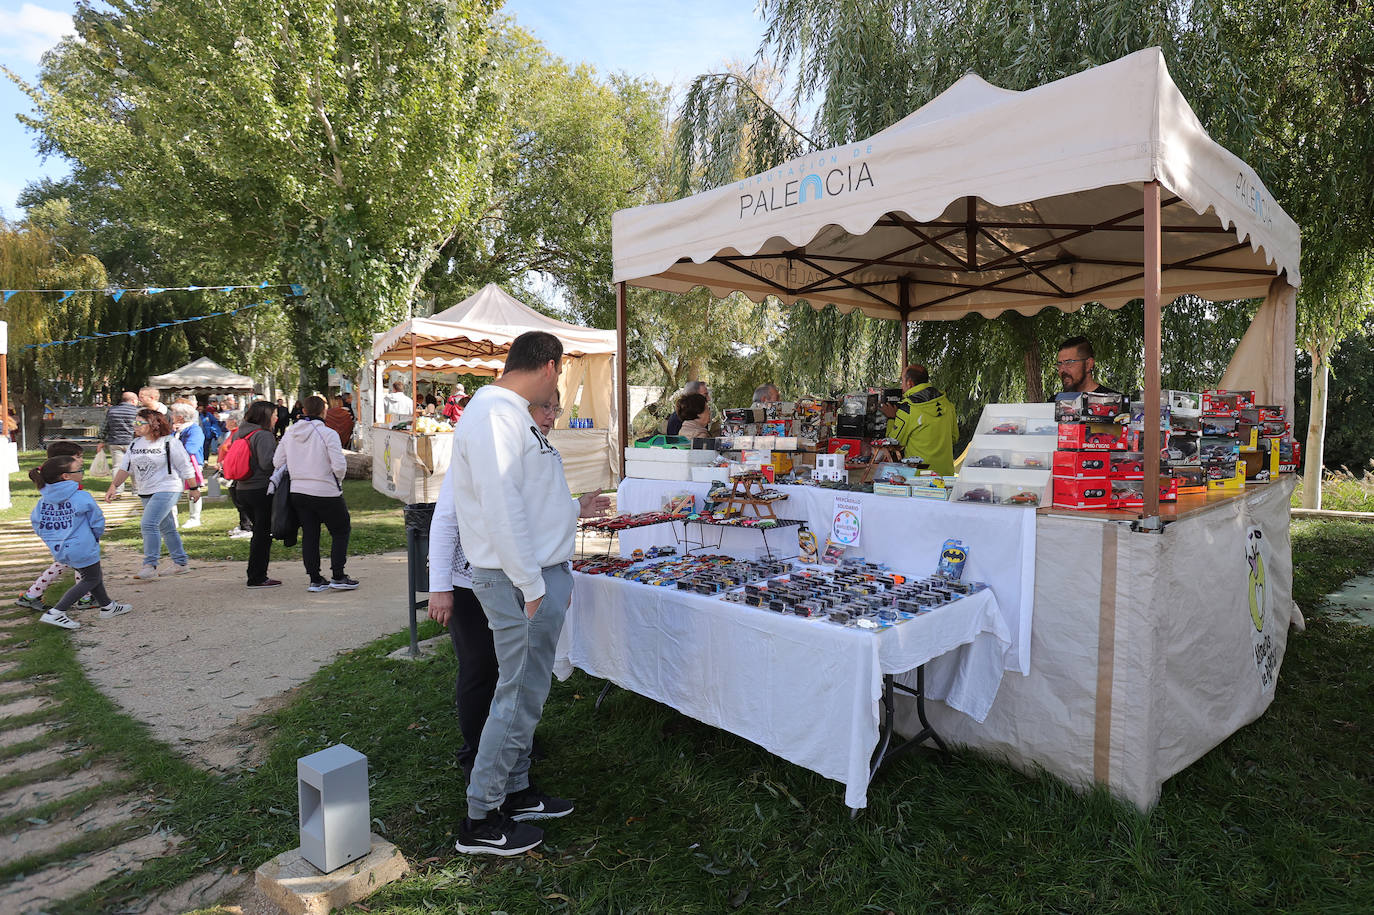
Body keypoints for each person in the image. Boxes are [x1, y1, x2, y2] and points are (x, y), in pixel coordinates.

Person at [448, 331, 609, 856]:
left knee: (525, 693)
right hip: (522, 580)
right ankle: (481, 817)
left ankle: (514, 792)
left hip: (533, 574)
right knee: (516, 695)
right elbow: (501, 507)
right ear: (548, 365)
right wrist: (532, 583)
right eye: (559, 372)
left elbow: (530, 499)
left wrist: (570, 513)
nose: (558, 381)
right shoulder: (497, 414)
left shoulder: (510, 414)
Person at [428, 392, 560, 780]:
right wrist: (439, 587)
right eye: (545, 407)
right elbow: (445, 518)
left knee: (514, 666)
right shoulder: (487, 444)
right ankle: (475, 751)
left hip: (514, 579)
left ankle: (512, 742)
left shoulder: (534, 449)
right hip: (470, 580)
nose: (552, 416)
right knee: (479, 666)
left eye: (556, 408)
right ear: (523, 410)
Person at [31, 454, 132, 629]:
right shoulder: (81, 496)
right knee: (91, 578)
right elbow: (97, 521)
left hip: (60, 547)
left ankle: (107, 606)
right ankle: (56, 612)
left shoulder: (43, 500)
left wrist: (52, 539)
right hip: (83, 546)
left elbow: (37, 523)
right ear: (66, 476)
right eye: (79, 470)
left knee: (92, 575)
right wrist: (95, 537)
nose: (82, 473)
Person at [275, 395, 357, 592]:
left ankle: (315, 578)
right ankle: (338, 574)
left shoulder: (290, 433)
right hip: (325, 489)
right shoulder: (328, 434)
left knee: (310, 534)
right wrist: (337, 479)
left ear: (303, 411)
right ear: (324, 411)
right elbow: (339, 464)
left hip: (299, 490)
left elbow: (277, 461)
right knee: (340, 530)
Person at [105, 409, 198, 579]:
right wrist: (114, 485)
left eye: (140, 423)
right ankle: (181, 563)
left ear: (154, 424)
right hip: (146, 489)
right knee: (167, 527)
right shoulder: (135, 444)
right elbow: (125, 468)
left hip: (168, 487)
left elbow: (185, 466)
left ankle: (150, 565)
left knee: (148, 524)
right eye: (135, 422)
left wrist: (194, 487)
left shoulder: (169, 442)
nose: (135, 426)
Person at [17, 441, 97, 614]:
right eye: (78, 457)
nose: (82, 461)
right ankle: (34, 595)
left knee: (70, 564)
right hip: (68, 533)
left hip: (64, 534)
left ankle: (33, 594)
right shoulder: (60, 488)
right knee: (77, 563)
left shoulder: (53, 483)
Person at [227, 400, 280, 587]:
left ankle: (255, 573)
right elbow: (267, 463)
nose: (276, 418)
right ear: (266, 416)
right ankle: (257, 576)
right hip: (260, 488)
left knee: (259, 532)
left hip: (242, 488)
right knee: (262, 535)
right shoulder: (263, 435)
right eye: (274, 415)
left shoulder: (240, 433)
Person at [879, 364, 957, 476]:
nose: (902, 386)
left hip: (919, 477)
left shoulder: (908, 408)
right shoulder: (948, 405)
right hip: (946, 475)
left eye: (902, 381)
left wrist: (892, 418)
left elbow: (893, 443)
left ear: (910, 383)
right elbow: (954, 438)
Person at [169, 402, 206, 529]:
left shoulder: (194, 429)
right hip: (174, 465)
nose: (171, 416)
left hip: (191, 465)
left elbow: (191, 448)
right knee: (171, 491)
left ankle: (194, 518)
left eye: (174, 414)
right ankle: (172, 520)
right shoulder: (176, 430)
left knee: (193, 490)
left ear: (181, 417)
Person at [97, 392, 140, 498]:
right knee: (134, 465)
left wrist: (102, 440)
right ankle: (136, 490)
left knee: (117, 466)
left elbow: (105, 426)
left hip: (115, 441)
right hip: (132, 442)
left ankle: (118, 489)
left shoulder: (112, 410)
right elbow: (139, 426)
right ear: (133, 401)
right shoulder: (137, 411)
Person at [1056, 336, 1121, 395]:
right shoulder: (1053, 403)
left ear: (1088, 364)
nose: (1062, 370)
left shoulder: (1115, 401)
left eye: (1068, 363)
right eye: (1059, 364)